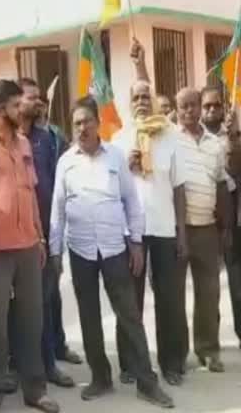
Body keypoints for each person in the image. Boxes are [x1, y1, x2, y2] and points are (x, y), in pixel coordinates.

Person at [49, 97, 173, 408]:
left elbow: (132, 203)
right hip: (80, 251)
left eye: (86, 121)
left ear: (97, 123)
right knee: (89, 317)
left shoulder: (116, 157)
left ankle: (147, 382)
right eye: (76, 123)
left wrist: (135, 244)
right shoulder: (66, 162)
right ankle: (101, 377)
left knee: (130, 316)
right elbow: (57, 212)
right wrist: (55, 253)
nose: (81, 128)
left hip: (116, 249)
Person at [0, 79, 58, 413]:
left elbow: (30, 192)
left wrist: (40, 237)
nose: (24, 110)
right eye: (17, 105)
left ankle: (35, 390)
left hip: (27, 246)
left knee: (32, 319)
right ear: (1, 107)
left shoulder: (23, 144)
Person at [110, 81, 188, 386]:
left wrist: (182, 233)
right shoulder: (119, 140)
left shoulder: (171, 137)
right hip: (133, 233)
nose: (142, 101)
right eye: (137, 97)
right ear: (130, 103)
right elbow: (112, 188)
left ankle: (170, 363)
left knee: (169, 300)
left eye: (146, 96)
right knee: (131, 301)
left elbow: (180, 188)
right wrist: (127, 169)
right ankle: (130, 365)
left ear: (154, 101)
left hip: (165, 229)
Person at [16, 77, 74, 389]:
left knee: (46, 300)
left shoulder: (49, 139)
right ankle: (25, 364)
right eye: (31, 98)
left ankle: (49, 363)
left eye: (40, 98)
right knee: (21, 306)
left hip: (46, 232)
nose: (38, 103)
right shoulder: (9, 140)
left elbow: (60, 186)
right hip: (14, 237)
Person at [174, 87, 231, 373]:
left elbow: (221, 184)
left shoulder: (215, 144)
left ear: (199, 107)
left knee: (209, 293)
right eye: (183, 106)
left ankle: (208, 349)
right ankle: (178, 353)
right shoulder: (169, 139)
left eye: (193, 105)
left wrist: (225, 227)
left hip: (207, 228)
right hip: (177, 230)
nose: (189, 111)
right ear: (176, 108)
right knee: (174, 295)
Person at [200, 86, 241, 348]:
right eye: (207, 106)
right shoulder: (193, 139)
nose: (212, 110)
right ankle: (210, 343)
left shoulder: (235, 136)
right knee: (208, 289)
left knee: (238, 289)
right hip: (204, 224)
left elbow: (234, 172)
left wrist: (233, 141)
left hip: (233, 224)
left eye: (216, 105)